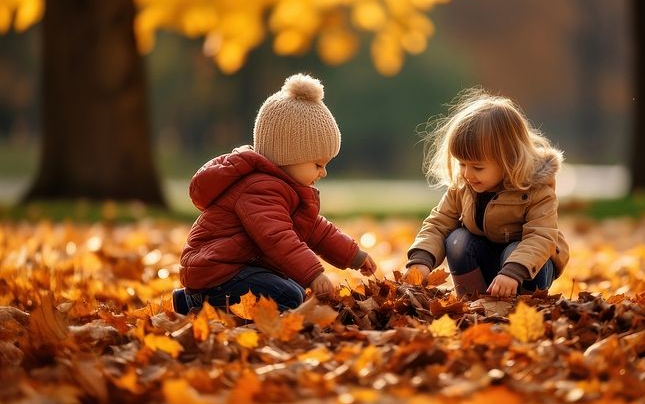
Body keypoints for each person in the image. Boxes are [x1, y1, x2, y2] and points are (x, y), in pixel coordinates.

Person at [173, 73, 376, 314]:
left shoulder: (284, 187)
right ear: (288, 156)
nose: (323, 173)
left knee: (295, 290)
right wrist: (314, 273)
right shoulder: (259, 188)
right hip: (219, 273)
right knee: (289, 296)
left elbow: (314, 229)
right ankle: (205, 304)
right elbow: (277, 238)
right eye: (318, 164)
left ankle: (192, 302)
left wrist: (353, 255)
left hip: (238, 270)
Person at [405, 89, 569, 297]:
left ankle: (524, 304)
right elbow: (439, 224)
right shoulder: (463, 187)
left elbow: (541, 237)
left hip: (529, 268)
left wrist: (513, 272)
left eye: (477, 167)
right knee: (457, 240)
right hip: (489, 265)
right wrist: (422, 259)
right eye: (462, 164)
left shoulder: (537, 191)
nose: (467, 173)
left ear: (508, 160)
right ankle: (474, 300)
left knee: (514, 250)